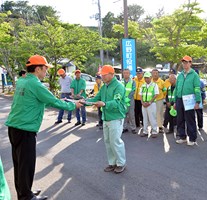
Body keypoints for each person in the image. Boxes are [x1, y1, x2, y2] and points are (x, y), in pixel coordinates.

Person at [5, 55, 82, 200]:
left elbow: (39, 101)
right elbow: (52, 101)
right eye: (45, 68)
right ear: (38, 68)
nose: (46, 71)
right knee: (26, 164)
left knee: (20, 164)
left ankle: (24, 191)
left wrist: (63, 100)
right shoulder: (35, 84)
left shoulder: (23, 81)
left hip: (15, 127)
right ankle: (26, 196)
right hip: (25, 129)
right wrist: (73, 105)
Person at [87, 65, 127, 173]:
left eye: (105, 75)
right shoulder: (104, 86)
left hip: (116, 117)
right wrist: (85, 101)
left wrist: (104, 104)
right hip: (106, 117)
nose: (102, 77)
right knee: (108, 141)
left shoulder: (119, 86)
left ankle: (121, 163)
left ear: (111, 74)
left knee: (115, 141)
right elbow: (96, 98)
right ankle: (112, 163)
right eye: (102, 75)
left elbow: (116, 102)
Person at [174, 55, 201, 146]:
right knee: (180, 119)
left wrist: (198, 101)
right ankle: (182, 136)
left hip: (189, 100)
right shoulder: (180, 75)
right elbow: (176, 88)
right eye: (183, 62)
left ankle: (192, 138)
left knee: (190, 119)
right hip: (179, 99)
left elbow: (197, 88)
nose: (185, 64)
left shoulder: (194, 75)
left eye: (186, 62)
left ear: (190, 63)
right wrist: (175, 100)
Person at [139, 71, 159, 138]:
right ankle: (145, 131)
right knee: (145, 118)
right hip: (144, 104)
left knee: (152, 118)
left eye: (147, 78)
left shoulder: (154, 85)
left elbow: (156, 95)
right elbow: (141, 94)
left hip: (151, 104)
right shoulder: (143, 85)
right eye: (145, 78)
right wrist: (142, 102)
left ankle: (154, 131)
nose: (146, 79)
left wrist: (149, 102)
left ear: (151, 77)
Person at [121, 69, 137, 134]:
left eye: (127, 73)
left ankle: (133, 128)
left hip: (130, 100)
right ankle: (124, 127)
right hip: (122, 100)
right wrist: (123, 98)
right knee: (123, 114)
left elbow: (133, 90)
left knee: (131, 114)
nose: (126, 74)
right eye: (124, 73)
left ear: (129, 74)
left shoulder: (133, 82)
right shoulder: (120, 81)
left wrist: (128, 98)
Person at [151, 69, 166, 133]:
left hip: (159, 100)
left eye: (156, 73)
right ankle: (153, 127)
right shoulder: (150, 81)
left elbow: (164, 90)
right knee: (152, 114)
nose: (155, 74)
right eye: (153, 73)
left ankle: (160, 126)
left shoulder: (162, 82)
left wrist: (163, 97)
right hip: (151, 100)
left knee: (159, 113)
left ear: (158, 74)